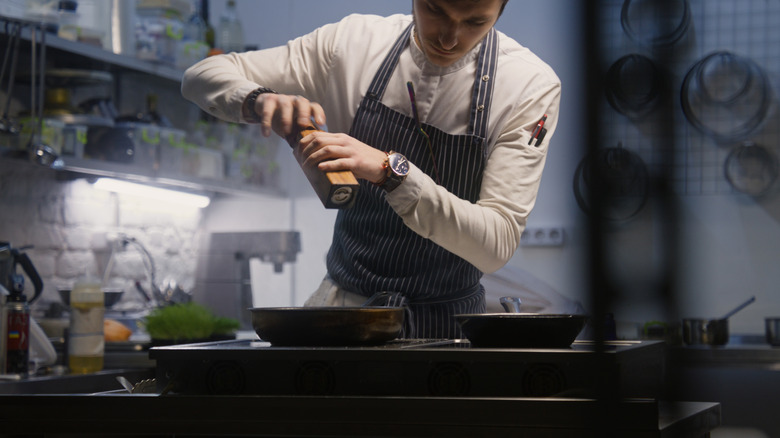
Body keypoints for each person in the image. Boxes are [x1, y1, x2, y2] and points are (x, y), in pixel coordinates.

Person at [181, 0, 561, 339]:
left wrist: (391, 171)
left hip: (448, 328)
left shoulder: (527, 86)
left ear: (501, 11)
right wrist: (257, 99)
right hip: (342, 315)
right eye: (435, 10)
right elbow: (201, 75)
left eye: (475, 21)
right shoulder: (353, 44)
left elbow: (495, 245)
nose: (449, 38)